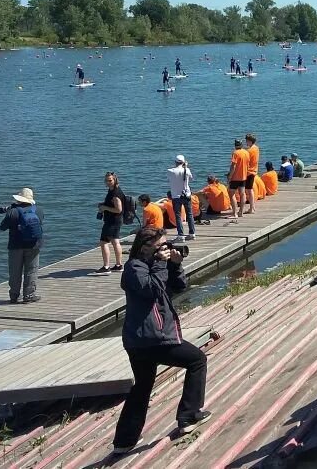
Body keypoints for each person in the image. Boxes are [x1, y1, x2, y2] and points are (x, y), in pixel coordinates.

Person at [111, 227, 210, 454]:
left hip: (142, 339)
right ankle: (189, 416)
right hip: (151, 338)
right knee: (197, 360)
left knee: (143, 387)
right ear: (146, 246)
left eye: (166, 245)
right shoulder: (134, 267)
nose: (165, 249)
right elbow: (152, 290)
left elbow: (178, 287)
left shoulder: (154, 265)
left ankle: (124, 441)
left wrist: (175, 265)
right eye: (161, 246)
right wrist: (161, 263)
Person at [0, 187, 42, 304]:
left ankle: (14, 296)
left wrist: (9, 214)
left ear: (19, 199)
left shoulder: (13, 211)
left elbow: (1, 227)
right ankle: (29, 295)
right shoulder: (38, 210)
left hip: (15, 246)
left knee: (15, 271)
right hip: (34, 245)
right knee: (31, 270)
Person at [97, 172, 126, 273]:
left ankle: (106, 267)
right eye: (106, 180)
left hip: (112, 221)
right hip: (116, 221)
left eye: (110, 180)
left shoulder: (115, 193)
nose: (108, 182)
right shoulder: (112, 190)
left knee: (103, 242)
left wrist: (105, 207)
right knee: (115, 241)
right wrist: (104, 204)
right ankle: (118, 265)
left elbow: (118, 209)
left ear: (115, 180)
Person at [167, 155, 196, 242]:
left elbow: (169, 179)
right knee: (190, 215)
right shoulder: (186, 170)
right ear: (183, 162)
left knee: (178, 216)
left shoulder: (170, 171)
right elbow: (191, 179)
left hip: (176, 196)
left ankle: (181, 235)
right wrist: (186, 167)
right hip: (186, 195)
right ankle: (192, 233)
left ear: (175, 162)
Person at [227, 139, 249, 218]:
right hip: (243, 176)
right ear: (242, 145)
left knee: (231, 194)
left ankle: (234, 213)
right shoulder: (246, 152)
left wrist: (230, 176)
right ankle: (241, 212)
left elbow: (233, 166)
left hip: (235, 177)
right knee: (242, 194)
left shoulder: (235, 153)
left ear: (235, 145)